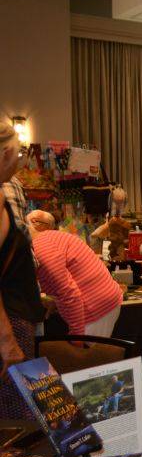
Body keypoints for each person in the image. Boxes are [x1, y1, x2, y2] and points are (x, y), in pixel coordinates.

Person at [0, 122, 44, 418]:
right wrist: (7, 343)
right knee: (17, 417)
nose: (20, 161)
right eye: (19, 154)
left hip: (14, 317)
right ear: (5, 153)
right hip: (9, 322)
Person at [28, 214, 123, 338]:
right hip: (103, 302)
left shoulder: (41, 248)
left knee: (86, 355)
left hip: (95, 308)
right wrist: (56, 301)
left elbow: (68, 293)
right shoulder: (48, 238)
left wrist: (77, 335)